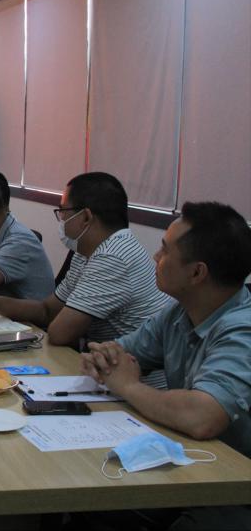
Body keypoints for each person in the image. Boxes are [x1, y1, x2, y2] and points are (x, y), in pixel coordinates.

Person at [81, 201, 251, 529]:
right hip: (193, 465)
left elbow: (202, 417)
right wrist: (101, 358)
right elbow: (116, 355)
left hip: (234, 488)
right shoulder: (180, 312)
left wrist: (127, 385)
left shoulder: (242, 329)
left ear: (197, 273)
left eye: (164, 250)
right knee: (91, 494)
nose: (155, 258)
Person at [0, 172, 172, 349]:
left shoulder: (113, 257)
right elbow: (47, 310)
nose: (61, 220)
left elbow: (59, 333)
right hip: (104, 364)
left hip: (134, 375)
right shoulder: (85, 252)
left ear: (86, 217)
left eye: (63, 212)